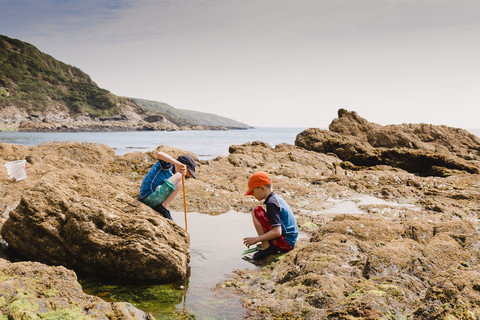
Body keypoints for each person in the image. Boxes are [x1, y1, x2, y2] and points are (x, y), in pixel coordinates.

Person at [243, 171, 299, 261]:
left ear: (262, 188)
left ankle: (267, 247)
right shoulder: (276, 199)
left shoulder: (271, 203)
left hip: (286, 244)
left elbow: (277, 232)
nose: (252, 195)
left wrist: (256, 239)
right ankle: (268, 244)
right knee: (258, 211)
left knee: (257, 211)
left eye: (253, 191)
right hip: (290, 241)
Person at [139, 151, 196, 220]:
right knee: (180, 176)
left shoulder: (173, 173)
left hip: (154, 197)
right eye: (186, 173)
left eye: (187, 176)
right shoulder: (168, 165)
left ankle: (165, 206)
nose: (185, 175)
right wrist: (177, 164)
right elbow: (159, 154)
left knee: (180, 182)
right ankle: (164, 207)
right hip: (148, 197)